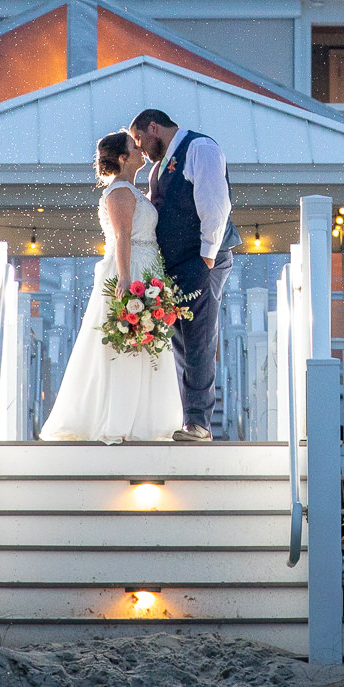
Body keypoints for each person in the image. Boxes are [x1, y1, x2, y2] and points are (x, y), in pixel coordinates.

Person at [38, 132, 182, 443]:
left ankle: (144, 419)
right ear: (122, 158)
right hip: (130, 270)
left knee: (147, 344)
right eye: (134, 147)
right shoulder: (119, 193)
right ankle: (120, 420)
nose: (141, 149)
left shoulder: (134, 191)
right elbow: (121, 236)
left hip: (147, 267)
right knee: (127, 343)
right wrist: (126, 279)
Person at [128, 108, 240, 442]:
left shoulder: (200, 148)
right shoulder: (159, 168)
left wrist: (206, 257)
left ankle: (199, 423)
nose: (140, 149)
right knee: (181, 341)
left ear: (153, 127)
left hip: (201, 259)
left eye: (139, 139)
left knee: (199, 338)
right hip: (177, 264)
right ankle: (189, 417)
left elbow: (215, 203)